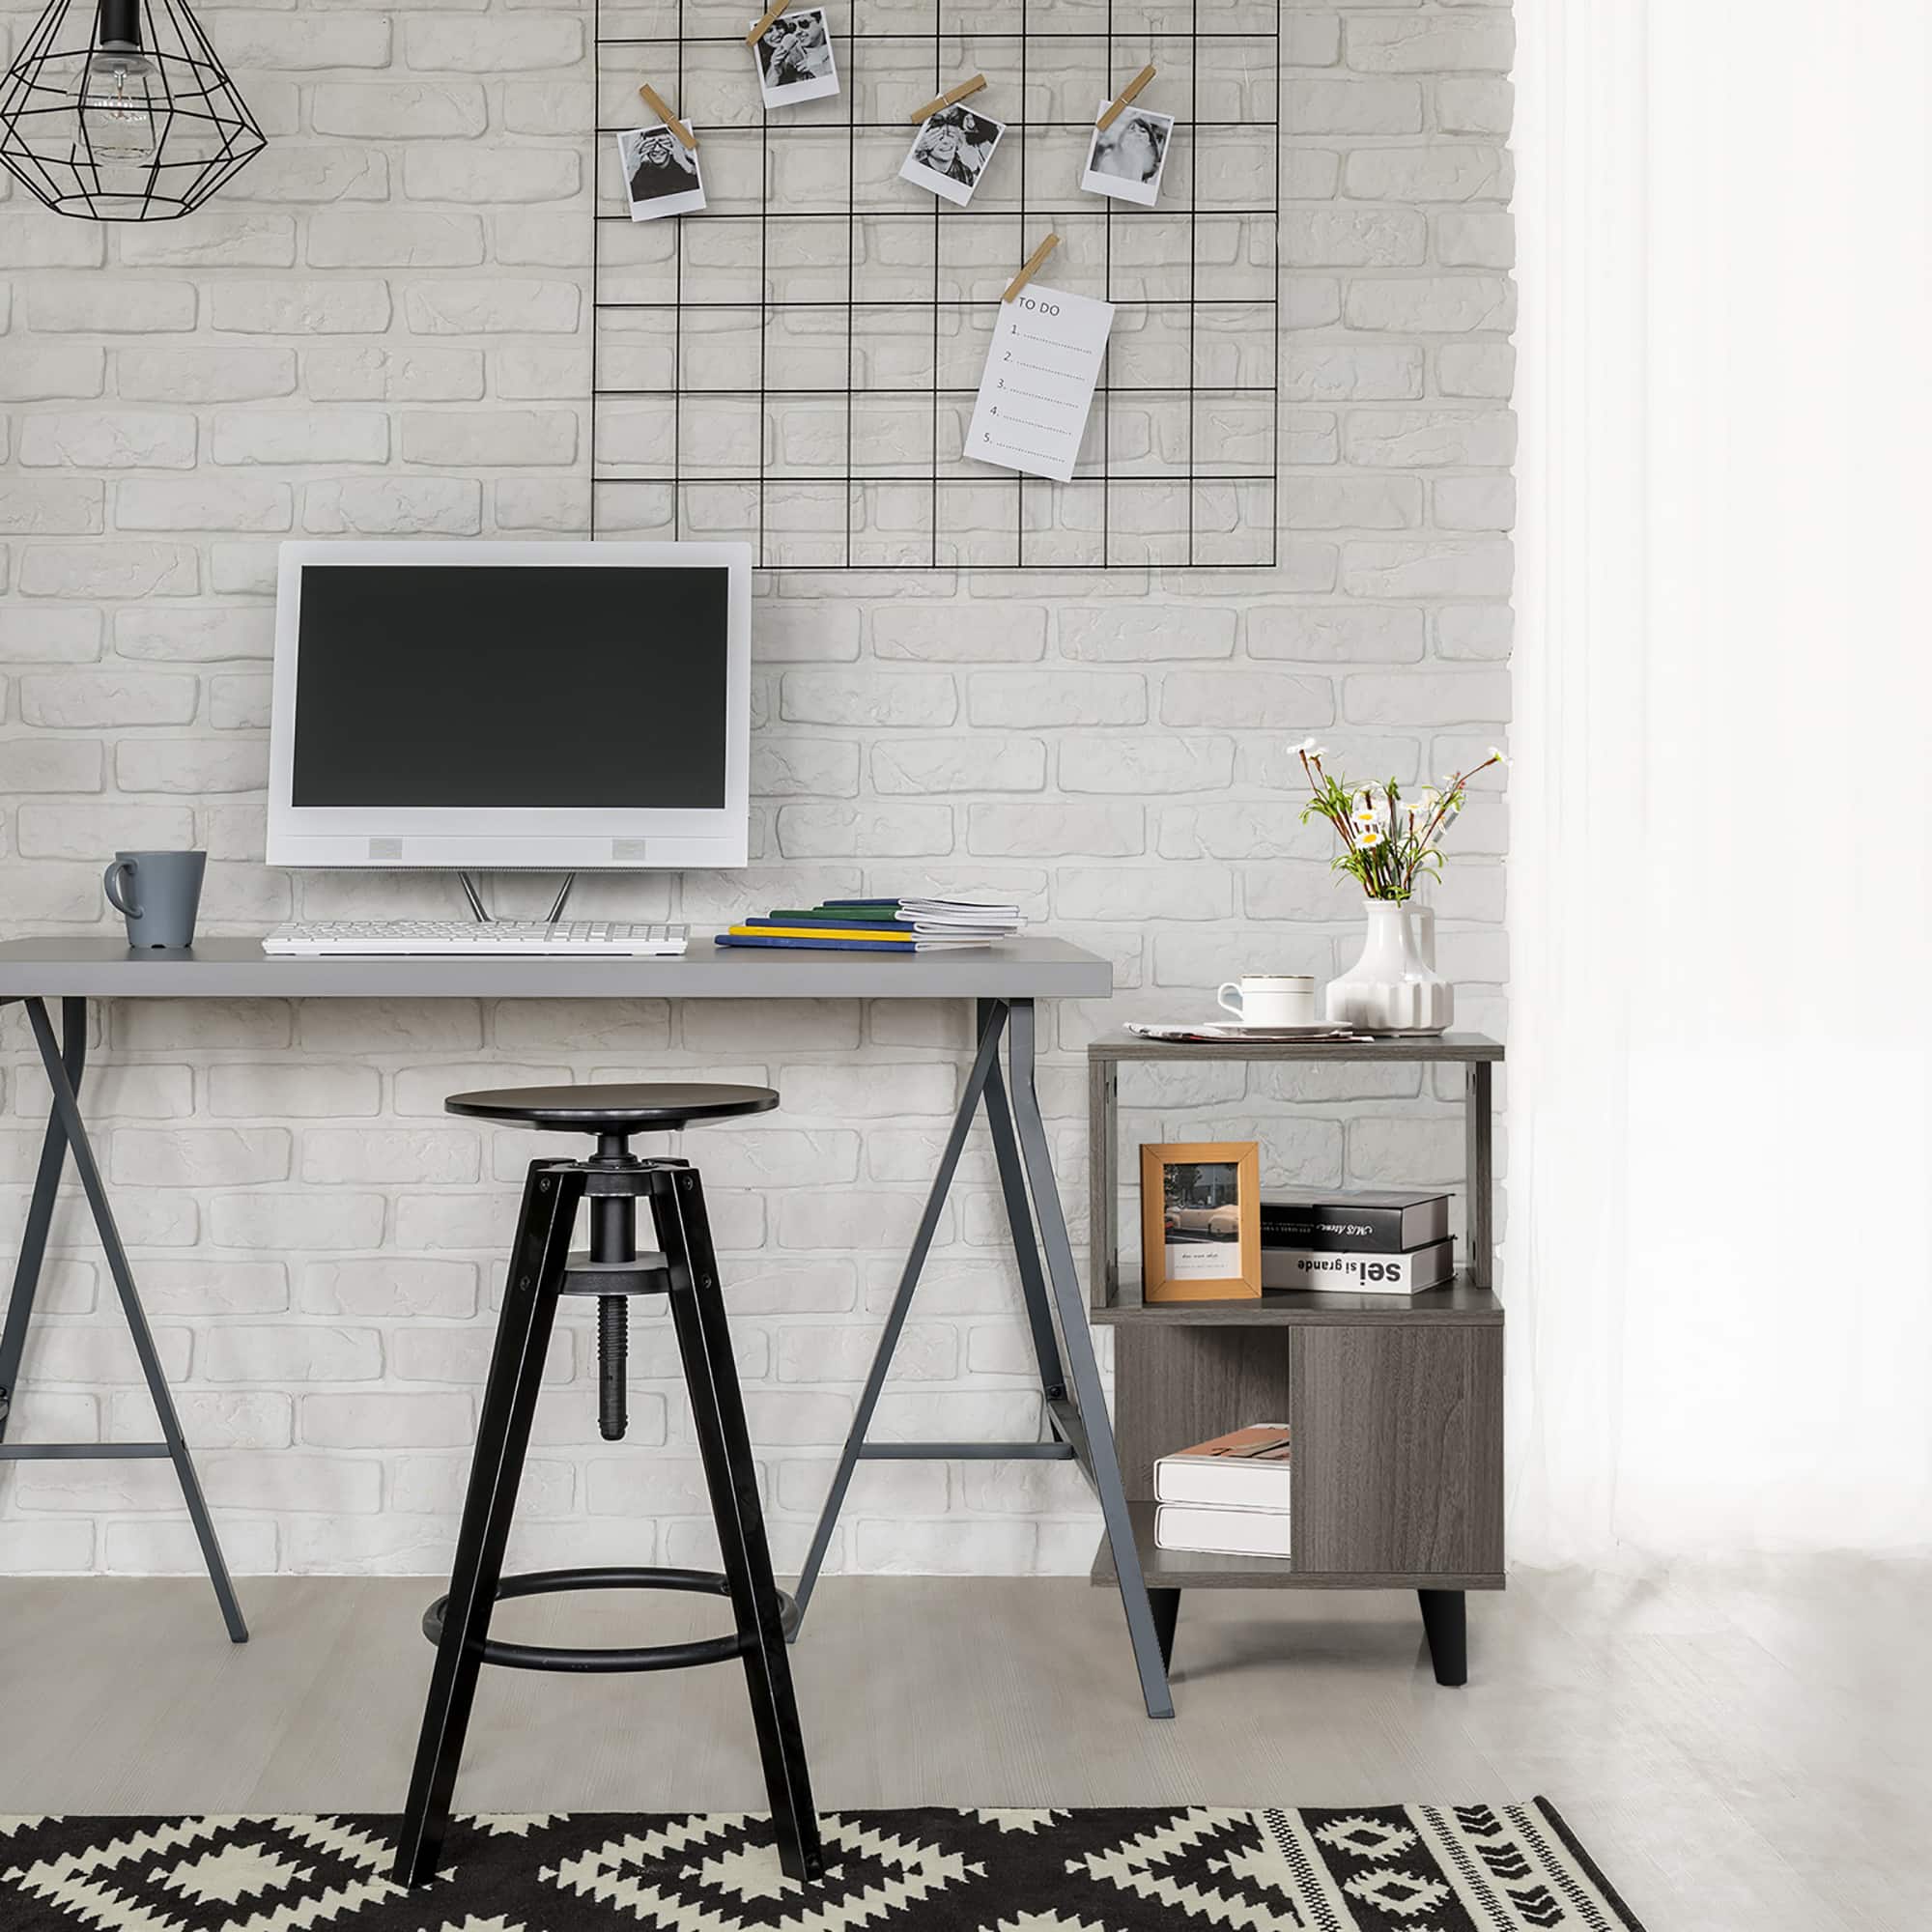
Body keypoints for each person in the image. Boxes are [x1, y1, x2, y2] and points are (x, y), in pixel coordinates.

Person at [1092, 110, 1166, 185]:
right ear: (1121, 139)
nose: (1137, 134)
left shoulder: (1155, 177)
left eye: (1143, 131)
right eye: (1131, 130)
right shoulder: (1107, 161)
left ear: (1150, 142)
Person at [627, 128, 696, 203]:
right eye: (650, 144)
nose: (657, 149)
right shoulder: (637, 171)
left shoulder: (687, 165)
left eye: (663, 142)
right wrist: (632, 169)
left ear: (674, 144)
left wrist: (683, 162)